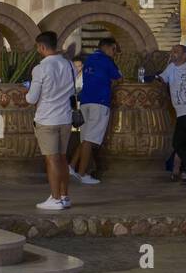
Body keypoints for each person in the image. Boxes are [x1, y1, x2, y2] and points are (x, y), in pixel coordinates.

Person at [26, 31, 76, 210]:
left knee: (51, 160)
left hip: (47, 119)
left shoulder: (40, 68)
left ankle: (55, 199)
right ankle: (64, 196)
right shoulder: (69, 65)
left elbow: (32, 98)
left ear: (42, 47)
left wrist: (27, 93)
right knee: (63, 158)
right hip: (65, 117)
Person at [69, 37, 121, 185]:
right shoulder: (107, 61)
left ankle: (71, 166)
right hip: (100, 102)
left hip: (85, 101)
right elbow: (119, 78)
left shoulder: (89, 59)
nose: (114, 53)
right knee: (90, 139)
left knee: (85, 138)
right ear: (108, 47)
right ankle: (82, 173)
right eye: (114, 49)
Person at [159, 44, 186, 184]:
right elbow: (162, 79)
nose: (173, 54)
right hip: (180, 113)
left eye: (176, 52)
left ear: (185, 55)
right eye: (172, 51)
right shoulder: (171, 68)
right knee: (178, 143)